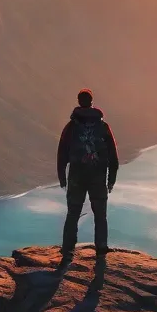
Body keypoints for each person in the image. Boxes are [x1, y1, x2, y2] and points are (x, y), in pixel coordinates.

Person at [57, 88, 119, 266]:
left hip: (76, 177)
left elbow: (62, 152)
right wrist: (111, 179)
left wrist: (62, 176)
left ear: (79, 101)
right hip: (98, 177)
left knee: (73, 214)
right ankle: (101, 248)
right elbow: (113, 155)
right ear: (92, 102)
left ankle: (68, 250)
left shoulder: (71, 128)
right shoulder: (103, 127)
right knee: (100, 215)